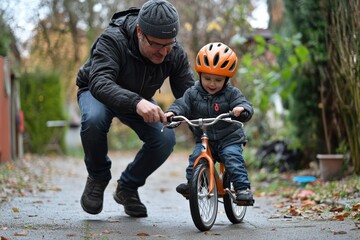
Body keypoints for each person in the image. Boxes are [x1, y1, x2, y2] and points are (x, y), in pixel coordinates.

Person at [76, 0, 195, 218]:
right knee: (93, 119)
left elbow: (191, 95)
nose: (163, 53)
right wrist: (137, 102)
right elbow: (100, 81)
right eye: (157, 45)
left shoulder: (174, 53)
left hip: (138, 99)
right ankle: (98, 176)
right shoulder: (112, 39)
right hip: (97, 91)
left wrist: (217, 122)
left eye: (168, 44)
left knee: (165, 138)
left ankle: (128, 187)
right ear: (140, 32)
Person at [165, 42, 255, 205]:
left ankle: (242, 189)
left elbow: (244, 104)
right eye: (207, 78)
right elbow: (181, 104)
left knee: (232, 158)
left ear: (227, 79)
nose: (212, 84)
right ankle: (193, 183)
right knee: (196, 157)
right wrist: (173, 113)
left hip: (229, 138)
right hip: (206, 138)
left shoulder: (231, 93)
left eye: (218, 80)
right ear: (200, 75)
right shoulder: (193, 92)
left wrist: (241, 109)